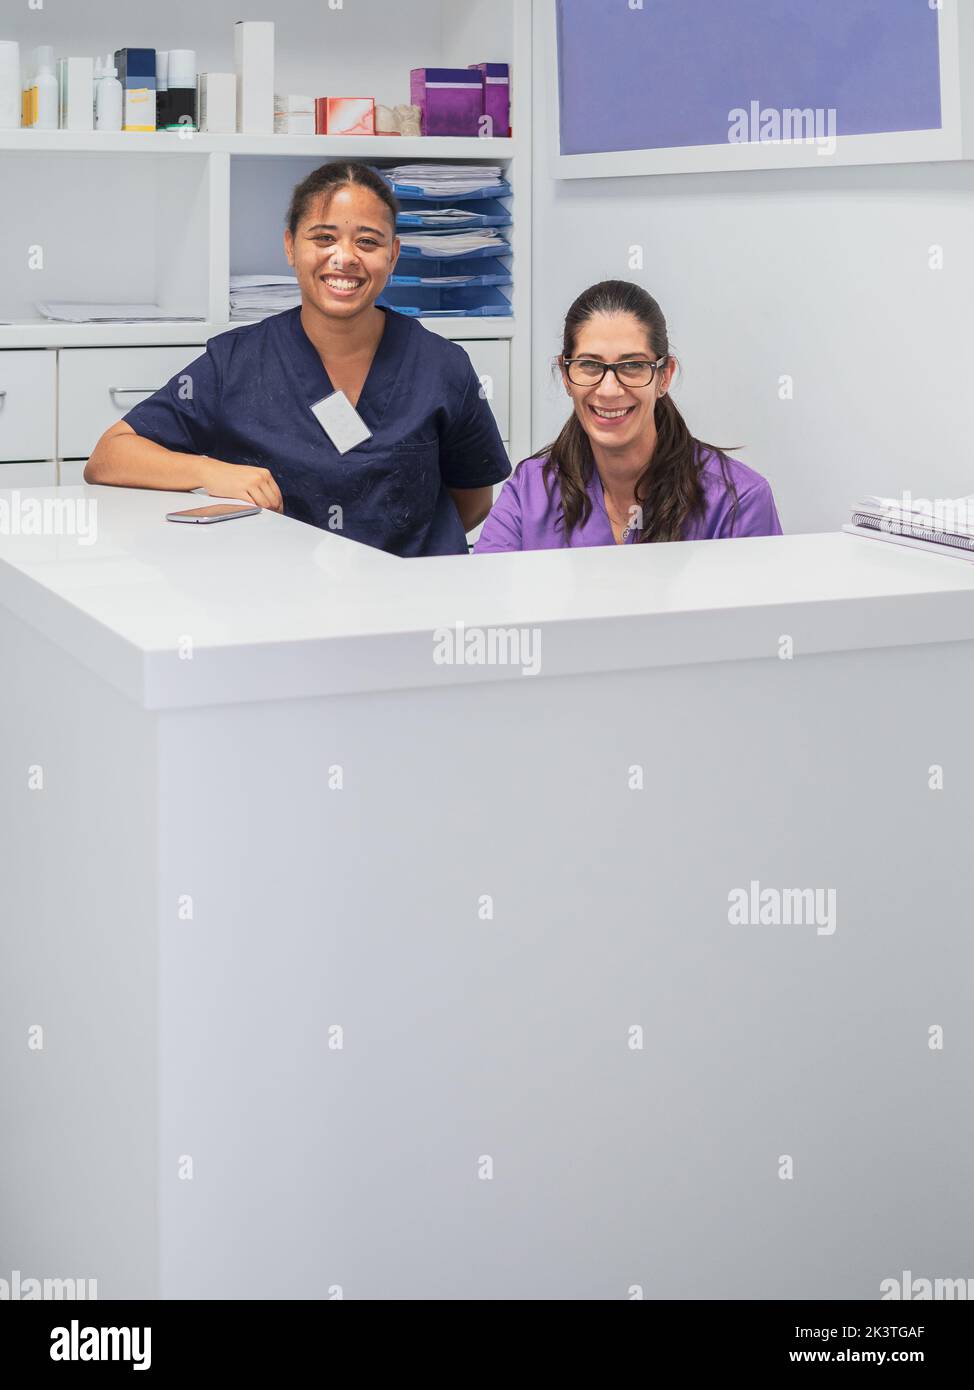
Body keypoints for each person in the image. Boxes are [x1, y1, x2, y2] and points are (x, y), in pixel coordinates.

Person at [85, 161, 511, 556]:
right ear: (291, 246)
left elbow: (472, 502)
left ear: (393, 256)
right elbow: (109, 456)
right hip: (279, 600)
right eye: (323, 238)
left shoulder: (442, 365)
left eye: (368, 241)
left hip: (413, 607)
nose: (344, 258)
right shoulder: (237, 361)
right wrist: (210, 471)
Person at [474, 280, 781, 551]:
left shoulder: (737, 502)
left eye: (633, 365)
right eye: (589, 365)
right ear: (566, 375)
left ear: (664, 376)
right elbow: (491, 605)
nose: (609, 390)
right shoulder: (529, 493)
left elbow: (756, 617)